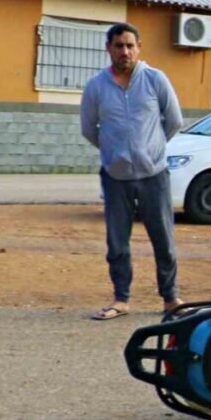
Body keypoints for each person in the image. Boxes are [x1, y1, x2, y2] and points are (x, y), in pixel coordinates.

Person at [80, 22, 185, 321]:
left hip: (154, 175)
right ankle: (121, 299)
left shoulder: (155, 80)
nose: (124, 51)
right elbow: (89, 129)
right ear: (108, 48)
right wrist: (114, 154)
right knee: (117, 242)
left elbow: (174, 120)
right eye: (118, 46)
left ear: (139, 47)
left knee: (163, 239)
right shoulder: (96, 86)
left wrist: (150, 148)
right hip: (116, 178)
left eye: (129, 45)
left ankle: (170, 298)